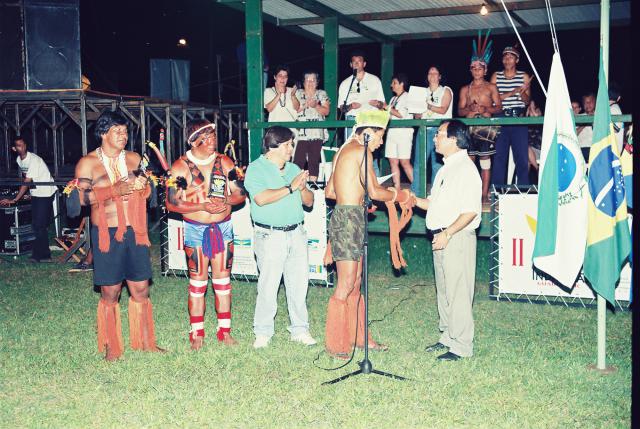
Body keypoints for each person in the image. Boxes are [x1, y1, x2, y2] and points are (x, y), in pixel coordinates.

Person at [71, 111, 163, 361]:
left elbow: (149, 192)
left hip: (135, 230)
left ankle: (146, 341)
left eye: (125, 131)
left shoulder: (134, 159)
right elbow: (82, 199)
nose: (124, 136)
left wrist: (144, 188)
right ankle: (112, 345)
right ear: (103, 133)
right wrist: (114, 190)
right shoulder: (87, 163)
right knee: (110, 291)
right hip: (106, 232)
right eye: (117, 131)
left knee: (141, 288)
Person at [324, 110, 413, 358]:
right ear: (367, 133)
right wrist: (399, 195)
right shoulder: (362, 151)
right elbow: (375, 191)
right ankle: (337, 345)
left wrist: (356, 196)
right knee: (346, 284)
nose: (381, 142)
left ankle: (359, 339)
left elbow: (330, 192)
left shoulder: (343, 149)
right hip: (349, 220)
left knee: (355, 283)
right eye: (380, 136)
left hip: (347, 216)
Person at [166, 119, 246, 349]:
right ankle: (197, 333)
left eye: (213, 137)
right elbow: (172, 204)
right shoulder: (180, 167)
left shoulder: (226, 162)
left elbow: (240, 194)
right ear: (194, 141)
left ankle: (225, 331)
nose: (213, 141)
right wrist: (202, 206)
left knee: (223, 282)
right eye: (207, 138)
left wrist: (226, 201)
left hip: (223, 228)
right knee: (198, 284)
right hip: (195, 229)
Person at [244, 126, 317, 349]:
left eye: (291, 144)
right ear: (273, 146)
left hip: (296, 232)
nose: (291, 149)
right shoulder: (255, 169)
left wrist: (302, 188)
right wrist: (290, 187)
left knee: (298, 284)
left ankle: (300, 329)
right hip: (270, 235)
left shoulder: (294, 168)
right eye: (287, 145)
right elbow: (261, 199)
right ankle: (263, 331)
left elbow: (309, 202)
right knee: (269, 285)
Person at [415, 120, 482, 361]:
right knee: (444, 291)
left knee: (459, 292)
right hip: (442, 236)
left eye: (439, 134)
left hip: (455, 237)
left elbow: (470, 211)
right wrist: (412, 200)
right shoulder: (446, 169)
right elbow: (433, 203)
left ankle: (462, 346)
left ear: (454, 139)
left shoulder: (466, 169)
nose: (435, 138)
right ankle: (447, 337)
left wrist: (448, 233)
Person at [458, 34, 502, 203]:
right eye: (474, 67)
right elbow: (460, 111)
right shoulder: (464, 89)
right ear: (470, 70)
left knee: (485, 160)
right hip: (469, 128)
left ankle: (484, 195)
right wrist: (469, 108)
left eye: (480, 67)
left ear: (485, 70)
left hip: (485, 127)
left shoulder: (491, 87)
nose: (477, 70)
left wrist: (485, 109)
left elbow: (499, 107)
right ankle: (470, 193)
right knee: (469, 161)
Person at [0, 137, 57, 263]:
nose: (22, 147)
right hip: (36, 192)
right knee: (36, 225)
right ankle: (42, 254)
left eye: (23, 145)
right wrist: (30, 192)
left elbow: (26, 181)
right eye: (19, 146)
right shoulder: (18, 160)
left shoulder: (34, 160)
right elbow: (29, 178)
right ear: (14, 149)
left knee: (39, 225)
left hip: (46, 192)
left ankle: (42, 255)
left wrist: (15, 199)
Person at [490, 45, 532, 191]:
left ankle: (524, 190)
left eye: (511, 57)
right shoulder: (496, 76)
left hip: (518, 117)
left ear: (517, 59)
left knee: (521, 156)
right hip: (501, 117)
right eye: (505, 57)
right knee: (499, 156)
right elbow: (494, 100)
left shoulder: (524, 76)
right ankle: (497, 191)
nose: (507, 59)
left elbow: (527, 101)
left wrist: (522, 93)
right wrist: (514, 91)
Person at [337, 51, 385, 174]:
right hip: (352, 120)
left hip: (370, 119)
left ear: (364, 63)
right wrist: (350, 106)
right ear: (350, 64)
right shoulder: (345, 83)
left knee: (370, 152)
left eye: (359, 61)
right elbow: (341, 108)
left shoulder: (374, 80)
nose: (356, 64)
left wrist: (377, 104)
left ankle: (375, 183)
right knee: (352, 151)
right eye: (354, 61)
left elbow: (383, 105)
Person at [413, 66, 453, 193]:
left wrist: (428, 106)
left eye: (435, 73)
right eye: (430, 73)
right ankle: (417, 193)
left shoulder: (445, 90)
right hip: (423, 129)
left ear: (440, 76)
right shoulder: (421, 92)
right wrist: (417, 114)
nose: (432, 75)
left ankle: (436, 193)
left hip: (438, 130)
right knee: (419, 163)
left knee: (437, 164)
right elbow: (416, 114)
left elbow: (443, 109)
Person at [294, 71, 330, 183]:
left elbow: (326, 111)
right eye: (307, 80)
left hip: (316, 133)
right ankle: (297, 185)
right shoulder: (297, 93)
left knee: (313, 161)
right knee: (298, 161)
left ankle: (313, 186)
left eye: (313, 80)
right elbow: (295, 109)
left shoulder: (322, 93)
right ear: (303, 82)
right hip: (300, 133)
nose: (310, 82)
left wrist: (316, 106)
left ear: (317, 82)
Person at [383, 73, 414, 191]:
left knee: (404, 162)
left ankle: (417, 188)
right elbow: (390, 114)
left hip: (404, 132)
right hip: (392, 132)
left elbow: (401, 114)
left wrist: (386, 107)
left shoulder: (407, 97)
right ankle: (397, 187)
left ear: (402, 84)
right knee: (392, 160)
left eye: (394, 83)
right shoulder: (393, 99)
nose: (392, 85)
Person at [264, 64, 300, 135]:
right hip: (275, 131)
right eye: (280, 76)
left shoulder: (293, 91)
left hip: (292, 131)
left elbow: (297, 108)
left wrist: (293, 96)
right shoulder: (268, 91)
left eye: (285, 76)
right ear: (275, 77)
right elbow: (269, 109)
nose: (283, 79)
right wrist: (278, 95)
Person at [577, 92, 596, 163]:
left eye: (590, 102)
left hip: (596, 149)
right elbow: (572, 134)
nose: (588, 104)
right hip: (580, 150)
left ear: (595, 102)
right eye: (586, 102)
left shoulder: (600, 115)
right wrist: (585, 123)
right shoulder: (578, 117)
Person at [608, 87, 624, 155]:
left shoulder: (614, 109)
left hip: (614, 150)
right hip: (613, 149)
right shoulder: (611, 108)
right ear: (619, 98)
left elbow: (616, 129)